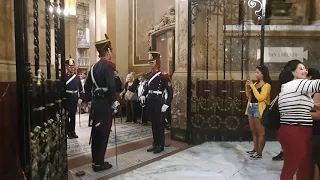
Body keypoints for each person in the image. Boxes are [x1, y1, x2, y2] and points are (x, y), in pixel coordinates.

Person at [277, 60, 320, 180]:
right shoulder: (295, 84)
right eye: (301, 69)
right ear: (292, 73)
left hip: (296, 131)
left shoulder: (290, 88)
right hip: (295, 131)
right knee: (290, 168)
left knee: (304, 166)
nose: (305, 71)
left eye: (305, 68)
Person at [83, 34, 118, 172]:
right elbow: (111, 85)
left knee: (95, 132)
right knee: (103, 133)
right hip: (104, 104)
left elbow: (87, 86)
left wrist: (86, 99)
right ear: (108, 51)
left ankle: (95, 160)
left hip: (96, 105)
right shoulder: (108, 66)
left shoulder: (93, 67)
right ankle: (100, 163)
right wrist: (114, 100)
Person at [139, 48, 173, 154]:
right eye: (149, 62)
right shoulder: (149, 75)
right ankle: (155, 143)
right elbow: (146, 88)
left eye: (152, 62)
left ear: (157, 62)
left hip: (158, 102)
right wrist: (143, 95)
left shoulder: (163, 76)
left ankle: (160, 145)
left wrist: (166, 104)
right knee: (153, 124)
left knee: (159, 124)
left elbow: (170, 91)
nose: (150, 64)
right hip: (150, 101)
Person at [245, 65, 272, 160]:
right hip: (251, 107)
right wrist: (248, 87)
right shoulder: (255, 83)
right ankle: (255, 149)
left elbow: (260, 98)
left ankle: (259, 152)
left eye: (257, 72)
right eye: (255, 72)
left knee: (261, 132)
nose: (256, 74)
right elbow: (249, 96)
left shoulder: (267, 85)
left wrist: (252, 86)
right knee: (254, 131)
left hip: (259, 109)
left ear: (263, 74)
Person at [65, 58, 83, 139]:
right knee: (67, 115)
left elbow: (81, 89)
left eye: (73, 66)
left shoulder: (77, 77)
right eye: (70, 66)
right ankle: (68, 131)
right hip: (67, 97)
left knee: (73, 115)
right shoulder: (64, 77)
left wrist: (81, 98)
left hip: (74, 97)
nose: (72, 68)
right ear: (66, 67)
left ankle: (73, 131)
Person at [308, 68, 320, 180]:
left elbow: (319, 115)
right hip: (307, 130)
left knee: (315, 160)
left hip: (316, 132)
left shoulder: (317, 93)